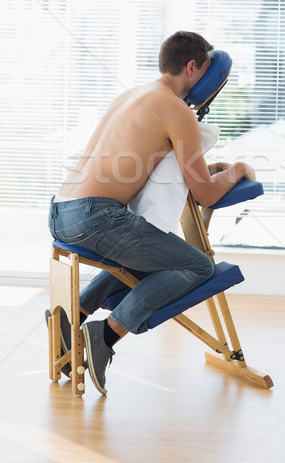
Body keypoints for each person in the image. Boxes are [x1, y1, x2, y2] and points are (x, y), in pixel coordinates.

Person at [48, 30, 256, 395]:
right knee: (196, 266)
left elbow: (161, 163)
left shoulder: (135, 94)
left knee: (153, 254)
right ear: (192, 67)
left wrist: (209, 167)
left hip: (62, 212)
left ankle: (73, 316)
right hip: (97, 217)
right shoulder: (179, 112)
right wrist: (238, 169)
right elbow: (205, 194)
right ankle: (106, 333)